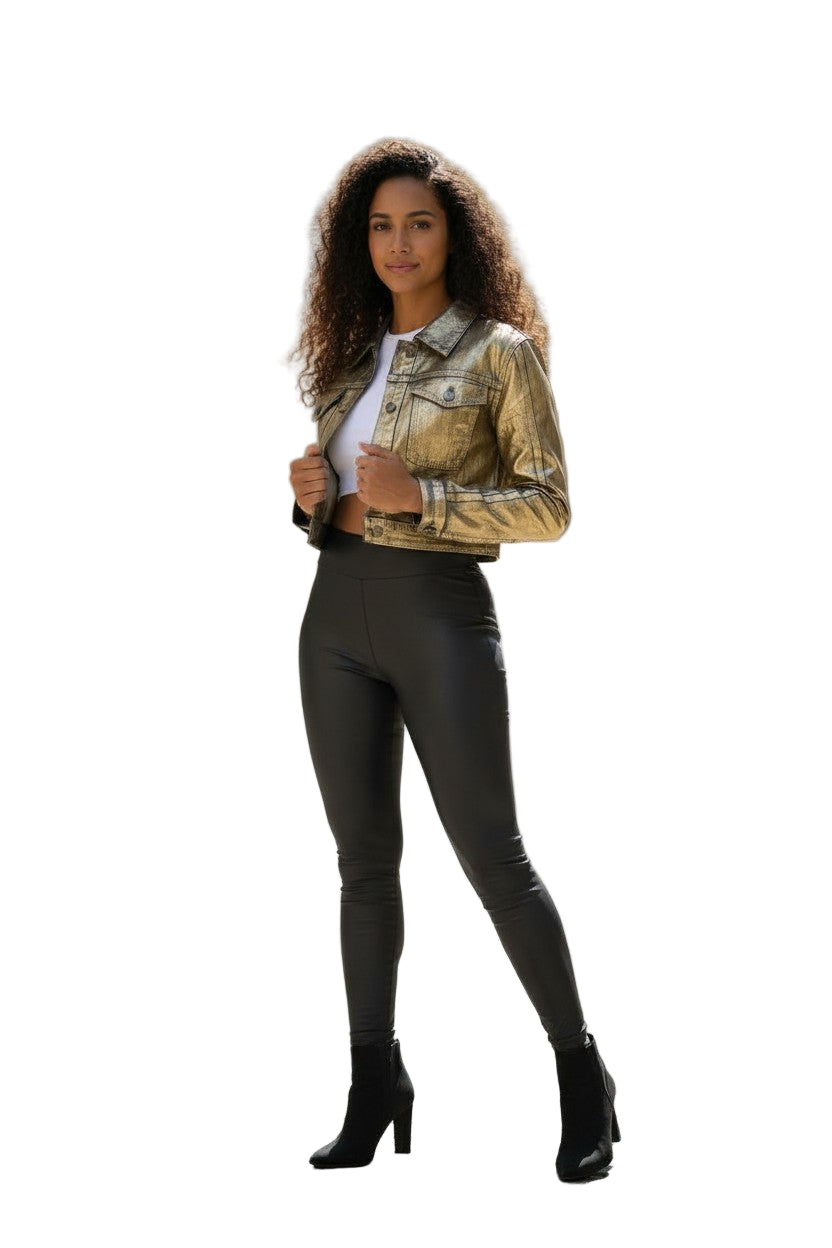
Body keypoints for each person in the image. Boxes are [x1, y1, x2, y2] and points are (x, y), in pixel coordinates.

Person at [287, 138, 620, 1181]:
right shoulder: (350, 359)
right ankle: (372, 1082)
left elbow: (549, 506)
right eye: (380, 226)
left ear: (453, 236)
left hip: (438, 613)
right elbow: (343, 499)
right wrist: (309, 499)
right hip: (332, 615)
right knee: (362, 864)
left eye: (419, 223)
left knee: (493, 857)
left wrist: (421, 498)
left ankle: (583, 1078)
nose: (399, 243)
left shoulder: (498, 352)